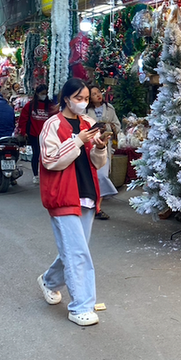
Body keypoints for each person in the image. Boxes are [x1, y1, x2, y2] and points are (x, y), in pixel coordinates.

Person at [37, 77, 111, 326]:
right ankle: (81, 306)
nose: (83, 103)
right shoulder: (52, 125)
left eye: (86, 98)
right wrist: (78, 140)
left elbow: (97, 163)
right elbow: (50, 160)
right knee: (77, 252)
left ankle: (49, 280)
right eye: (79, 98)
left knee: (75, 250)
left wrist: (99, 148)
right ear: (66, 98)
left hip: (87, 192)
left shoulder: (89, 124)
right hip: (63, 195)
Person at [87, 85, 121, 220]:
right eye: (94, 94)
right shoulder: (86, 111)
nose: (97, 95)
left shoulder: (110, 108)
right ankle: (95, 207)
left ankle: (97, 207)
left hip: (105, 146)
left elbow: (117, 126)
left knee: (101, 175)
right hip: (90, 146)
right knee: (93, 177)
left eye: (98, 92)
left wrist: (108, 128)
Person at [17, 84, 56, 185]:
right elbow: (23, 119)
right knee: (36, 154)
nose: (44, 95)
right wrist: (23, 132)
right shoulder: (30, 105)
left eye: (46, 93)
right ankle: (35, 175)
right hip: (34, 134)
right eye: (42, 93)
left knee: (46, 155)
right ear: (37, 94)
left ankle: (45, 174)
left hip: (47, 135)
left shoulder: (51, 105)